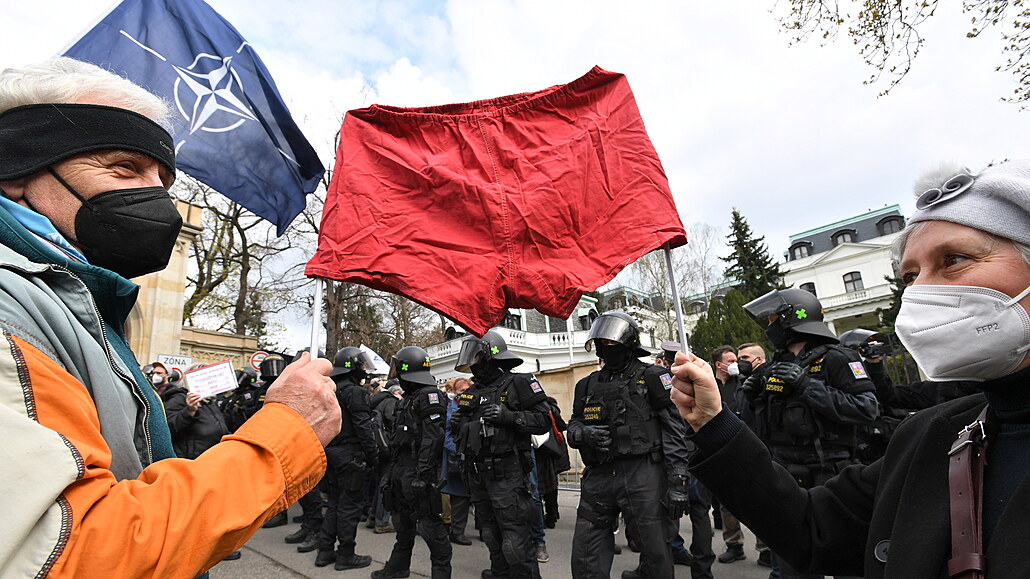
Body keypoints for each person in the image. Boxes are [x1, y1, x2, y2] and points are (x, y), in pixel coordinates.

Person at [0, 57, 339, 577]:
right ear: (19, 170)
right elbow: (72, 552)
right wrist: (284, 436)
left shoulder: (73, 301)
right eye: (124, 168)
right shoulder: (10, 308)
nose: (157, 197)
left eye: (162, 178)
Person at [669, 160, 1030, 578]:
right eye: (910, 276)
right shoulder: (933, 438)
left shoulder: (837, 359)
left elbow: (865, 409)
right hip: (792, 470)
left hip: (830, 463)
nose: (923, 290)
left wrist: (808, 387)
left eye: (954, 259)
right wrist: (715, 422)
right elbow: (813, 529)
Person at [567, 312, 692, 579]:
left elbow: (675, 431)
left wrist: (678, 482)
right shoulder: (586, 385)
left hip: (643, 473)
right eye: (601, 344)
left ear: (629, 344)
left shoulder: (653, 376)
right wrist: (584, 434)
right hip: (599, 475)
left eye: (611, 344)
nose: (604, 350)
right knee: (586, 553)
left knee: (655, 550)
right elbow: (573, 425)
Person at [451, 330, 551, 579]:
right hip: (478, 475)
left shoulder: (519, 383)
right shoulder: (472, 393)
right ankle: (500, 574)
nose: (474, 369)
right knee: (490, 535)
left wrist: (509, 416)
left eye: (478, 361)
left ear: (492, 358)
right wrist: (458, 424)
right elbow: (459, 430)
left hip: (509, 475)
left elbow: (543, 420)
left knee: (515, 542)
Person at [372, 346, 452, 579]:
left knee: (431, 529)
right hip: (402, 470)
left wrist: (423, 474)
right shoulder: (408, 399)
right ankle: (398, 567)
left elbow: (433, 438)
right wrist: (391, 473)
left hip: (418, 471)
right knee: (403, 524)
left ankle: (441, 573)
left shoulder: (430, 396)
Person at [314, 347, 379, 570]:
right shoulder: (355, 392)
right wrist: (373, 456)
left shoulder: (328, 391)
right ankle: (345, 555)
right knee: (349, 507)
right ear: (353, 367)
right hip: (350, 455)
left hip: (330, 453)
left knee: (333, 503)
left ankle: (324, 551)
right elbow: (363, 428)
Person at [442, 377, 474, 545]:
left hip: (472, 458)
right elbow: (446, 436)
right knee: (460, 497)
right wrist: (460, 451)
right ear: (455, 392)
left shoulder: (473, 405)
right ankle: (457, 531)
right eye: (462, 391)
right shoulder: (451, 409)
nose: (465, 394)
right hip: (458, 459)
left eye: (468, 390)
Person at [369, 380, 402, 534]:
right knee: (385, 483)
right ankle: (381, 521)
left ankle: (373, 516)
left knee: (380, 481)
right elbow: (393, 420)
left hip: (379, 446)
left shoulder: (378, 401)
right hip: (388, 446)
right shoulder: (391, 402)